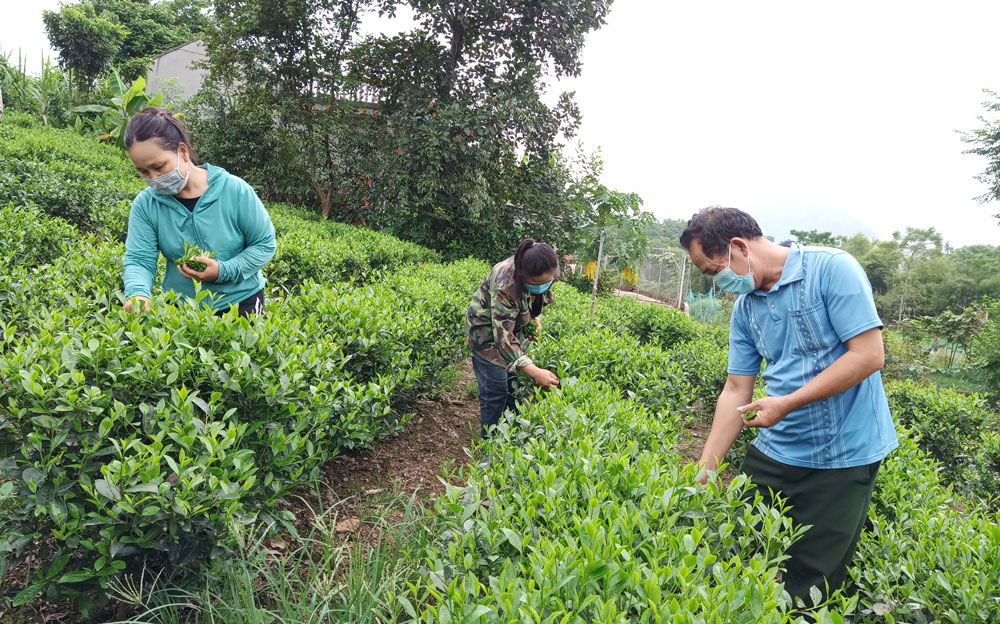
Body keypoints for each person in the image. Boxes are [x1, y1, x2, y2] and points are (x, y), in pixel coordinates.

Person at [680, 207, 897, 607]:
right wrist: (706, 467)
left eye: (715, 272)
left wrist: (788, 403)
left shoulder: (832, 269)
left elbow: (868, 355)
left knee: (810, 583)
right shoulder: (746, 310)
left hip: (844, 454)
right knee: (733, 552)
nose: (722, 286)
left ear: (739, 247)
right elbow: (734, 389)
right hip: (776, 449)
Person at [121, 107, 276, 317]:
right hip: (182, 307)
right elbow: (140, 259)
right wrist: (138, 293)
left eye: (159, 166)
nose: (154, 177)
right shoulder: (145, 205)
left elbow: (264, 244)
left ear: (182, 152)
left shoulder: (234, 190)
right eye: (143, 171)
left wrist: (222, 271)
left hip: (240, 304)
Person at [467, 238, 561, 437]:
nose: (543, 287)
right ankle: (489, 445)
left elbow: (536, 298)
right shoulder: (506, 284)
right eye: (537, 284)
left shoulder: (543, 266)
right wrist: (535, 371)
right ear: (522, 276)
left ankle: (509, 437)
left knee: (512, 387)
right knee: (495, 392)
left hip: (510, 331)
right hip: (487, 336)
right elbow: (503, 338)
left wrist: (534, 319)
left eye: (547, 282)